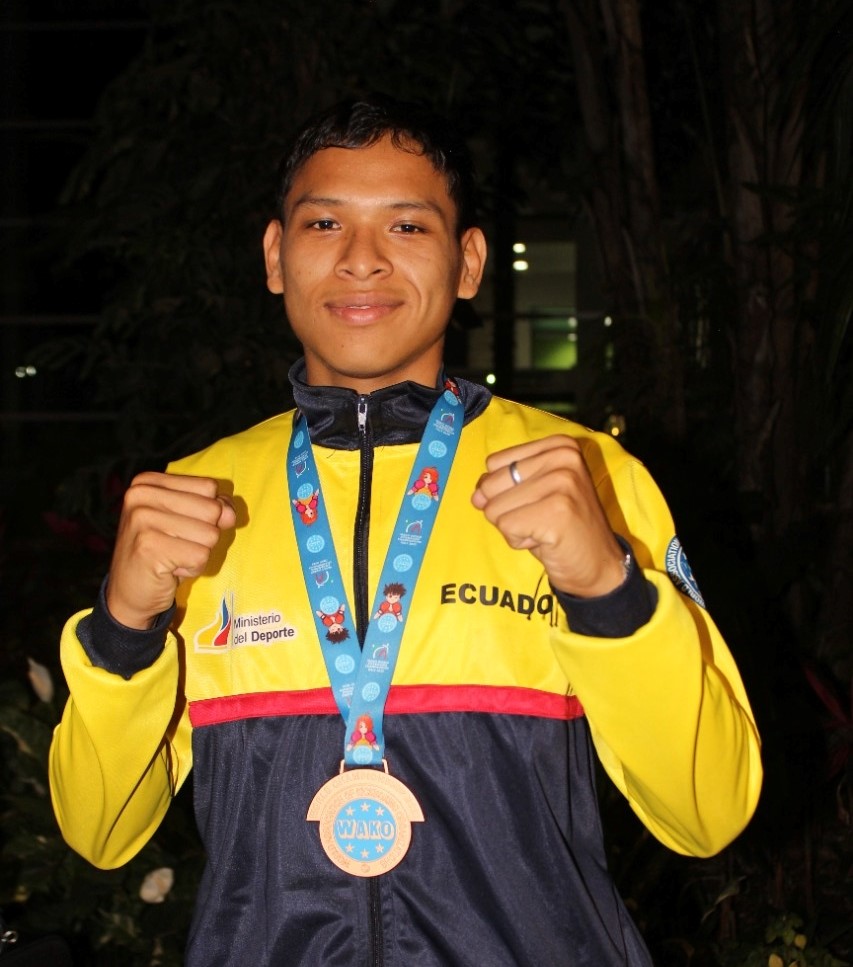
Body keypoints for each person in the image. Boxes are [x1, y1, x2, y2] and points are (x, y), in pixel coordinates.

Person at [49, 95, 762, 966]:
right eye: (323, 223)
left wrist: (606, 592)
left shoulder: (585, 476)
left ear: (467, 263)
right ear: (276, 256)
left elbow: (708, 812)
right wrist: (124, 627)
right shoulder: (198, 495)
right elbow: (99, 831)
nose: (360, 261)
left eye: (406, 228)